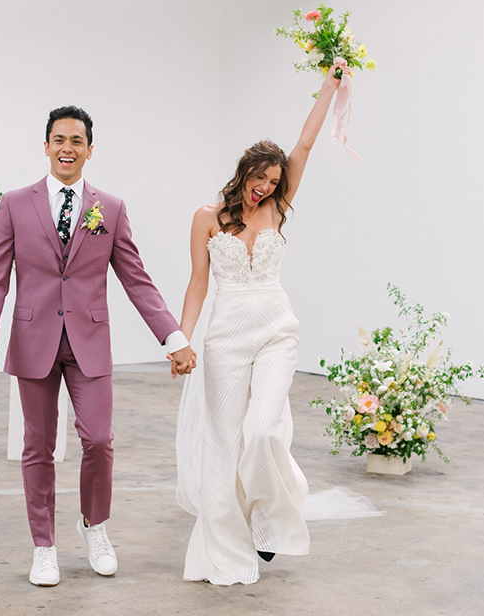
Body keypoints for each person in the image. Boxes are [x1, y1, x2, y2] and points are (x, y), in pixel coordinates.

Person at [0, 106, 195, 587]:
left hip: (90, 342)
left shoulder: (109, 209)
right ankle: (44, 546)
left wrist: (173, 337)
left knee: (98, 439)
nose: (67, 148)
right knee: (39, 447)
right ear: (46, 146)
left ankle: (94, 525)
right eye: (58, 139)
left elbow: (136, 279)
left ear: (90, 149)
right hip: (33, 341)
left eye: (77, 140)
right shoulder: (14, 204)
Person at [175, 64, 345, 585]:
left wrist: (332, 85)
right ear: (243, 171)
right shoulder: (207, 216)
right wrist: (180, 338)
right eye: (259, 178)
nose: (265, 188)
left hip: (275, 329)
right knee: (223, 442)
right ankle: (226, 543)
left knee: (264, 429)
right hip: (225, 336)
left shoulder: (278, 206)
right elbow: (198, 284)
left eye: (273, 182)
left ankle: (270, 516)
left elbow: (306, 144)